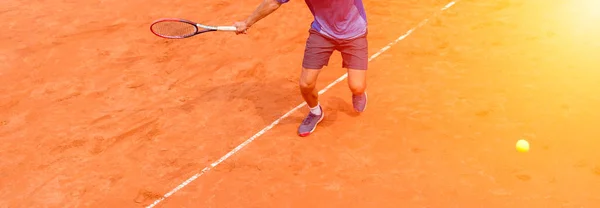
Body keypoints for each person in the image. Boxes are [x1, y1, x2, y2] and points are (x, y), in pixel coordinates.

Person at [233, 0, 369, 137]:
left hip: (355, 34)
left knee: (357, 87)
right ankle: (316, 112)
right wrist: (246, 23)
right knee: (306, 84)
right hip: (323, 33)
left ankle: (358, 93)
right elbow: (273, 2)